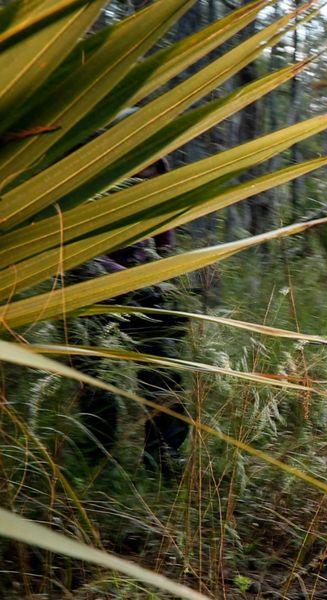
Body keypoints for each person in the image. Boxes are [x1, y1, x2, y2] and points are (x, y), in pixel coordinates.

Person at [72, 156, 189, 477]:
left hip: (145, 294)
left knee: (164, 371)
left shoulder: (157, 201)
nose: (142, 181)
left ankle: (163, 458)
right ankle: (95, 463)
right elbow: (78, 253)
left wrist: (166, 284)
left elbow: (164, 248)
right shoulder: (91, 194)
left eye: (150, 174)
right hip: (90, 293)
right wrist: (130, 279)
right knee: (96, 381)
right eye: (136, 172)